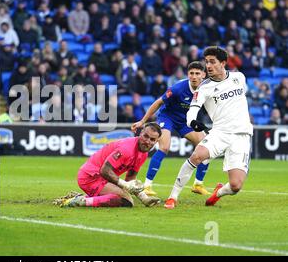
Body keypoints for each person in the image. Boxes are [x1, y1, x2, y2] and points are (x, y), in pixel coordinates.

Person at [164, 46, 253, 209]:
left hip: (241, 135)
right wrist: (192, 122)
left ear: (223, 63)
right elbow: (193, 109)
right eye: (207, 62)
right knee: (197, 156)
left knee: (235, 186)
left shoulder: (239, 77)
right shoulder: (204, 87)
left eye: (212, 62)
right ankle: (173, 197)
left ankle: (218, 192)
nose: (209, 66)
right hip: (219, 133)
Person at [131, 61, 210, 197]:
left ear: (203, 75)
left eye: (197, 73)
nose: (194, 76)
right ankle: (147, 186)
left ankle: (198, 184)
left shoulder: (207, 88)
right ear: (188, 74)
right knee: (164, 147)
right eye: (191, 73)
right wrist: (143, 121)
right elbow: (158, 102)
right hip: (168, 117)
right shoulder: (178, 88)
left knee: (206, 146)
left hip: (186, 121)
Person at [53, 123, 162, 208]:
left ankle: (79, 198)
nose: (147, 141)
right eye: (145, 136)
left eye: (152, 139)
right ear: (140, 133)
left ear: (157, 141)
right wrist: (124, 185)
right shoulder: (127, 149)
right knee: (127, 200)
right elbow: (104, 170)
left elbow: (130, 178)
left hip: (103, 178)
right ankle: (81, 201)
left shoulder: (143, 154)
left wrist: (144, 198)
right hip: (90, 176)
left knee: (125, 199)